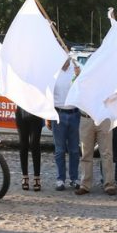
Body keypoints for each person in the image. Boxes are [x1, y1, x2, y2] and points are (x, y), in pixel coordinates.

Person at [47, 57, 80, 190]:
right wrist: (48, 115)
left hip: (74, 113)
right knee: (59, 150)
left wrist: (79, 76)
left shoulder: (76, 69)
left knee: (74, 150)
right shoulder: (53, 72)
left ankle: (74, 178)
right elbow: (48, 93)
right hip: (58, 114)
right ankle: (60, 179)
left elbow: (84, 87)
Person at [76, 117, 117, 196]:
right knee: (85, 154)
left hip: (104, 119)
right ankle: (85, 185)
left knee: (107, 153)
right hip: (86, 118)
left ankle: (109, 185)